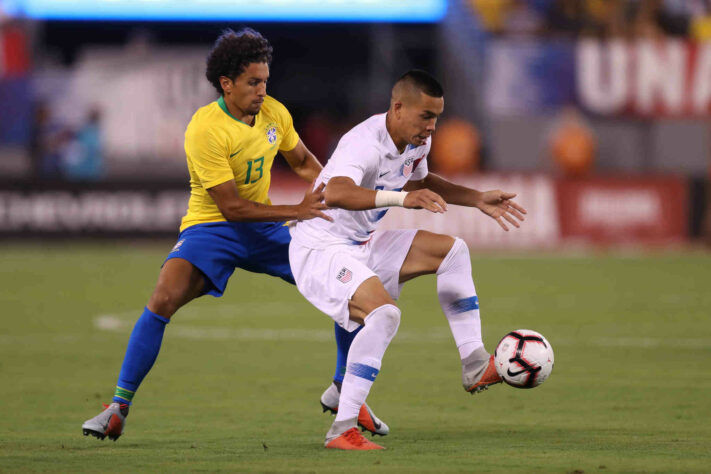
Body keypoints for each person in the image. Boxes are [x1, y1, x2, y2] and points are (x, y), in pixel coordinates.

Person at [81, 28, 388, 441]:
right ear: (226, 84)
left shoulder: (274, 114)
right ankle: (118, 407)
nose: (262, 90)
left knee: (346, 287)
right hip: (213, 228)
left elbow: (301, 161)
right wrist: (297, 210)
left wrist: (336, 186)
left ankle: (342, 391)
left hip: (265, 229)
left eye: (265, 80)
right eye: (253, 82)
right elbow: (231, 207)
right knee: (162, 299)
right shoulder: (206, 128)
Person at [288, 70, 527, 450]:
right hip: (321, 247)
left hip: (361, 242)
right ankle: (342, 428)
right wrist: (399, 200)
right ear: (398, 108)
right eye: (425, 116)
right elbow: (334, 192)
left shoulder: (417, 143)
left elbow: (417, 183)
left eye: (436, 117)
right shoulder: (364, 142)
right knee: (385, 315)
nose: (431, 127)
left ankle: (475, 362)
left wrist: (477, 198)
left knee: (453, 251)